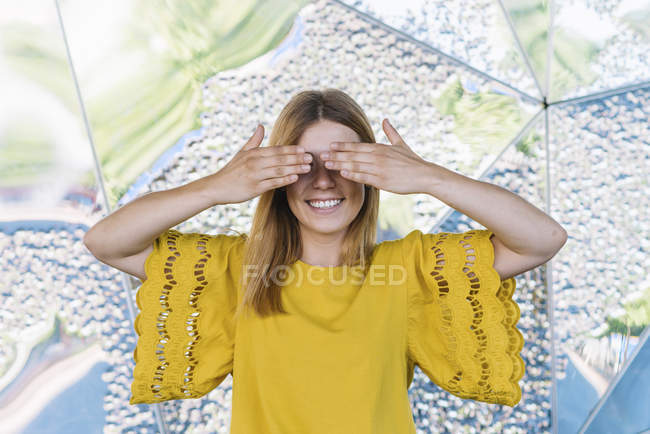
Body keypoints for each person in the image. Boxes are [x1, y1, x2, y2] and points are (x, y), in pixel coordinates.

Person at [84, 88, 567, 433]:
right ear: (276, 178)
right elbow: (108, 242)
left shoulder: (409, 272)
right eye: (303, 165)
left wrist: (431, 177)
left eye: (341, 163)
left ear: (371, 175)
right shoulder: (237, 273)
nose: (323, 181)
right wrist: (214, 188)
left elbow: (541, 239)